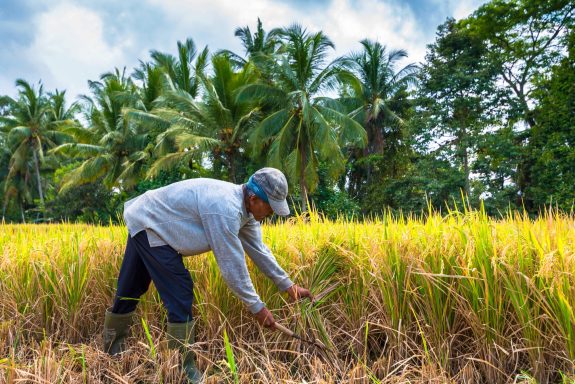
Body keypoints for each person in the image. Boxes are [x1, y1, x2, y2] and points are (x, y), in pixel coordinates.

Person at [102, 167, 312, 382]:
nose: (270, 214)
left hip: (145, 216)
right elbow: (232, 265)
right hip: (151, 223)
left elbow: (259, 251)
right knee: (180, 290)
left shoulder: (247, 214)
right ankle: (182, 369)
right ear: (253, 197)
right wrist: (257, 307)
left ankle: (109, 349)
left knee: (131, 286)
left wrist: (288, 286)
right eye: (269, 208)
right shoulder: (224, 210)